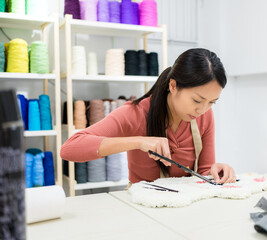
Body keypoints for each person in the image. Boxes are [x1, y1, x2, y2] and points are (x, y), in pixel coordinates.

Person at [60, 48, 236, 185]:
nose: (202, 110)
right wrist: (137, 142)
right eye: (197, 100)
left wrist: (215, 172)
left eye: (212, 102)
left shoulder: (205, 116)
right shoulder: (135, 114)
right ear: (173, 86)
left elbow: (203, 171)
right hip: (143, 210)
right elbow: (69, 149)